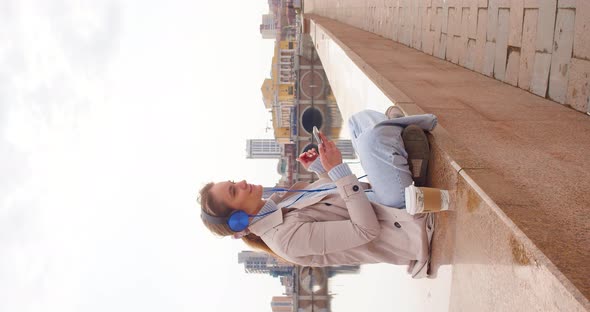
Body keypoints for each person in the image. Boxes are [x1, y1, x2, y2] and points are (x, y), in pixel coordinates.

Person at [198, 106, 439, 278]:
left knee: (356, 120)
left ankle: (402, 155)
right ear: (238, 218)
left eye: (232, 181)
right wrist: (338, 170)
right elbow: (365, 229)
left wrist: (320, 167)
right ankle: (402, 151)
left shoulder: (281, 203)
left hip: (377, 199)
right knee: (371, 141)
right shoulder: (286, 240)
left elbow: (335, 202)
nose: (241, 182)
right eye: (233, 191)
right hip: (399, 220)